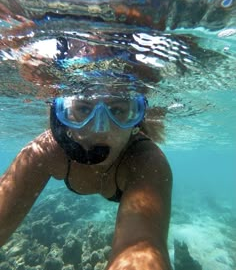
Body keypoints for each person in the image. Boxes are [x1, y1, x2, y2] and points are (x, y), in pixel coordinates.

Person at [0, 82, 172, 270]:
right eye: (83, 108)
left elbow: (141, 247)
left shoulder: (145, 161)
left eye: (116, 111)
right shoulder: (46, 151)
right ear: (61, 117)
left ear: (136, 121)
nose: (99, 129)